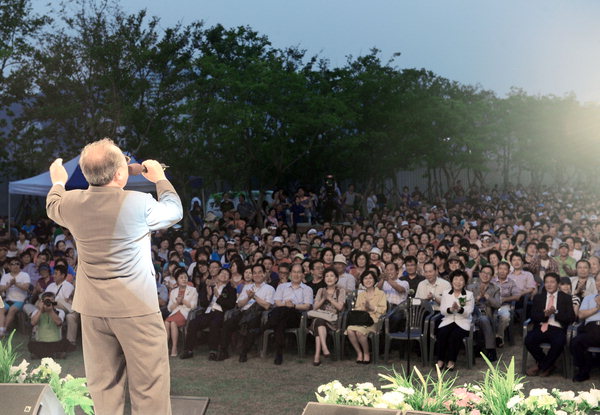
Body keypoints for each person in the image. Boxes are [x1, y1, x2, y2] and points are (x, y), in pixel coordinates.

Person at [46, 138, 182, 415]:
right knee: (149, 390)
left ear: (84, 174)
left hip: (94, 310)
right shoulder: (139, 202)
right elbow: (174, 210)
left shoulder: (71, 202)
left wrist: (58, 180)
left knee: (104, 391)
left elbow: (53, 202)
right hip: (135, 309)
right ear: (120, 173)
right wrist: (160, 179)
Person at [524, 272, 576, 377]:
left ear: (558, 284)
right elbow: (533, 316)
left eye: (552, 282)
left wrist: (555, 312)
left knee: (559, 342)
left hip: (557, 327)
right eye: (547, 282)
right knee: (528, 340)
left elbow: (571, 317)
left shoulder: (566, 298)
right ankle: (547, 365)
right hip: (541, 326)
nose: (549, 285)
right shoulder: (539, 297)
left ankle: (541, 366)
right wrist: (545, 314)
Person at [220, 263, 275, 362]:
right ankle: (223, 351)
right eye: (254, 273)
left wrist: (254, 296)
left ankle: (243, 352)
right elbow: (239, 304)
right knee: (227, 324)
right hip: (243, 312)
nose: (257, 275)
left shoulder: (269, 288)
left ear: (264, 274)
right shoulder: (247, 287)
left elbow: (267, 306)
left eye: (259, 272)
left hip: (258, 314)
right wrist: (248, 297)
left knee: (252, 324)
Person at [180, 268, 236, 360]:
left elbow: (231, 305)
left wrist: (218, 296)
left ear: (229, 279)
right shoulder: (211, 286)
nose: (224, 275)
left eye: (226, 274)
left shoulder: (231, 290)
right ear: (218, 275)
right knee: (193, 322)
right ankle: (188, 350)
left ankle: (213, 351)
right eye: (222, 273)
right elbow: (203, 304)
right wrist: (209, 296)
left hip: (220, 313)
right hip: (208, 312)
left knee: (214, 324)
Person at [267, 263, 313, 365]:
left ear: (303, 274)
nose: (296, 275)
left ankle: (270, 324)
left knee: (282, 312)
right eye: (294, 272)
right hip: (282, 314)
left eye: (299, 272)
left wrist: (293, 306)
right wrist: (286, 304)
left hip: (296, 316)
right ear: (290, 274)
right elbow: (277, 302)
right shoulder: (282, 287)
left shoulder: (307, 289)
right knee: (281, 319)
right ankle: (279, 350)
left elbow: (307, 306)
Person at [435, 270, 474, 371]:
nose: (458, 282)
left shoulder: (469, 295)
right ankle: (440, 360)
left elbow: (469, 311)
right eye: (455, 279)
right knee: (442, 333)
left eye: (461, 280)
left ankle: (451, 361)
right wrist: (451, 310)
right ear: (451, 281)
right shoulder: (446, 293)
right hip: (448, 319)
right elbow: (443, 310)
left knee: (454, 336)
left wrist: (459, 309)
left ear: (465, 282)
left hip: (462, 322)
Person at [345, 269, 387, 364]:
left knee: (359, 332)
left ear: (374, 280)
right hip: (361, 320)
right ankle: (359, 353)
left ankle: (366, 353)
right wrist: (364, 308)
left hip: (374, 321)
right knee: (350, 330)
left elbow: (383, 311)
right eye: (365, 278)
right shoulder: (361, 295)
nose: (368, 280)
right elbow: (357, 309)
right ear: (362, 281)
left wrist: (371, 307)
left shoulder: (381, 294)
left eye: (370, 278)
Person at [310, 268, 346, 366]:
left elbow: (340, 307)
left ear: (336, 278)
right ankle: (324, 349)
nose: (329, 278)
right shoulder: (321, 290)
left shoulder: (340, 291)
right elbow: (315, 307)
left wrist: (329, 298)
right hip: (321, 317)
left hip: (332, 320)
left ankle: (317, 355)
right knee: (319, 321)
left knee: (318, 322)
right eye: (326, 276)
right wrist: (323, 298)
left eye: (331, 276)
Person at [467, 264, 501, 361]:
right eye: (484, 273)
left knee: (484, 319)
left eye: (489, 274)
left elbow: (498, 304)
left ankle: (483, 348)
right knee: (483, 319)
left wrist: (486, 296)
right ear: (479, 273)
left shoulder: (495, 288)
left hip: (487, 314)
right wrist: (477, 298)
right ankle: (490, 349)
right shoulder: (470, 287)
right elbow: (466, 303)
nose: (485, 275)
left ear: (492, 276)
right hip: (473, 313)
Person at [571, 274, 600, 381]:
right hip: (591, 329)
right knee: (576, 342)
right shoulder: (589, 298)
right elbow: (581, 315)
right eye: (598, 280)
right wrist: (597, 308)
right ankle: (583, 370)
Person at [165, 268, 198, 357]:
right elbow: (169, 308)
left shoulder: (193, 290)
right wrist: (177, 303)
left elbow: (194, 305)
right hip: (175, 312)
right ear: (177, 280)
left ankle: (174, 348)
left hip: (186, 312)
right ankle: (165, 347)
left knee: (172, 322)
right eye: (181, 278)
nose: (184, 279)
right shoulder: (173, 291)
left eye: (185, 277)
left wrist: (183, 301)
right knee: (167, 322)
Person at [27, 292, 71, 359]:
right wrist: (41, 311)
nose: (48, 302)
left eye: (50, 301)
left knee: (65, 344)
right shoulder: (36, 312)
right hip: (41, 342)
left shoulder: (60, 311)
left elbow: (59, 323)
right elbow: (33, 323)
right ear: (42, 302)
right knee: (31, 345)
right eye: (46, 301)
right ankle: (52, 354)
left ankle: (46, 354)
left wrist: (50, 311)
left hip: (56, 342)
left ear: (54, 302)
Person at [0, 258, 31, 337]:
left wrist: (16, 284)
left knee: (12, 309)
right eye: (13, 264)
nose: (15, 266)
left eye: (17, 264)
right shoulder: (5, 276)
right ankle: (1, 329)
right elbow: (1, 289)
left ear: (20, 265)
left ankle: (3, 330)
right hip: (8, 300)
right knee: (1, 309)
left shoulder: (25, 275)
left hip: (20, 300)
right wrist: (9, 285)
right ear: (9, 266)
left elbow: (26, 288)